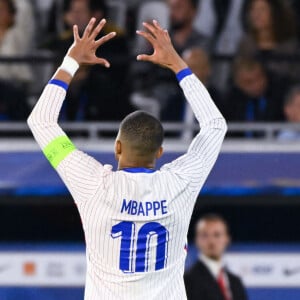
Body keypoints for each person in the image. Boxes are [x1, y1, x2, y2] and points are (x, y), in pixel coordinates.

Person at [27, 18, 227, 300]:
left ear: (117, 147)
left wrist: (71, 61)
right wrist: (178, 65)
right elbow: (216, 125)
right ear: (160, 152)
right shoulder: (180, 182)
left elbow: (41, 121)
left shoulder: (94, 184)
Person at [44, 0, 131, 121]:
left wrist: (83, 75)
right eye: (71, 11)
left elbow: (116, 76)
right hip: (72, 95)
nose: (74, 16)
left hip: (106, 100)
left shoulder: (114, 40)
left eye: (80, 12)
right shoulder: (64, 41)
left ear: (97, 14)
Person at [184, 214, 248, 300]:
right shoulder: (188, 281)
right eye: (205, 235)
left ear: (227, 239)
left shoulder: (235, 282)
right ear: (197, 240)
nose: (211, 241)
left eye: (217, 235)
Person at [238, 0, 299, 82]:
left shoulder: (291, 46)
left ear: (275, 13)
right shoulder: (246, 44)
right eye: (253, 9)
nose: (256, 14)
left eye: (262, 9)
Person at [224, 57, 287, 122]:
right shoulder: (231, 102)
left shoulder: (281, 95)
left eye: (259, 78)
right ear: (237, 83)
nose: (256, 85)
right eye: (248, 82)